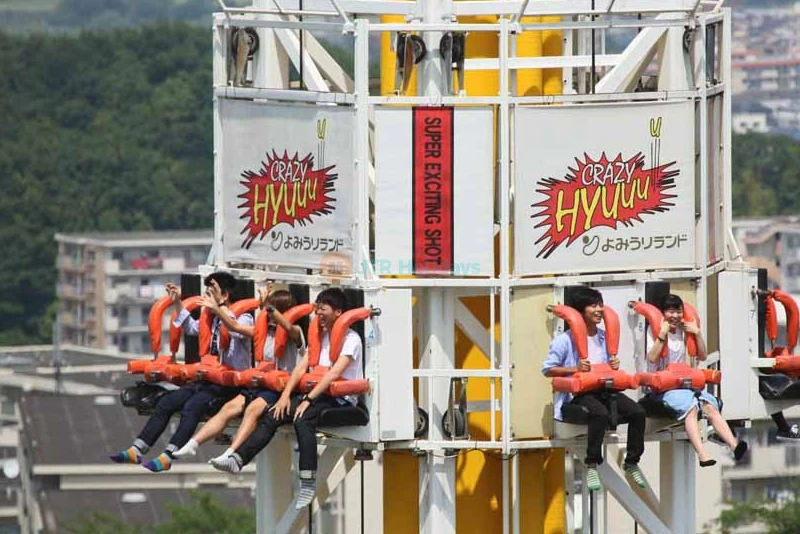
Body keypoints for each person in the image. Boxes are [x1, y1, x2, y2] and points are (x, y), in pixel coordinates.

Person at [210, 287, 363, 510]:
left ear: (338, 312)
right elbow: (301, 368)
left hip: (341, 399)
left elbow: (333, 373)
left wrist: (308, 400)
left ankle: (308, 482)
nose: (319, 312)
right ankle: (238, 459)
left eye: (324, 308)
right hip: (317, 394)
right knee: (273, 413)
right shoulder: (320, 336)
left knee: (303, 418)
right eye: (317, 308)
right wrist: (284, 397)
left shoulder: (351, 339)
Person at [109, 272, 253, 472]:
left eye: (212, 292)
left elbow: (236, 329)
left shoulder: (242, 316)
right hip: (207, 377)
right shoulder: (210, 317)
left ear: (225, 296)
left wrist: (218, 309)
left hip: (229, 383)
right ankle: (137, 449)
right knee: (167, 402)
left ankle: (168, 455)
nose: (207, 296)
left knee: (193, 407)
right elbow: (192, 328)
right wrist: (178, 303)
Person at [172, 287, 305, 460]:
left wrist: (267, 307)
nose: (270, 316)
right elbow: (234, 325)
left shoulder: (296, 331)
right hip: (262, 382)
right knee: (228, 408)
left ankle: (231, 452)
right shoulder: (262, 331)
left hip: (280, 388)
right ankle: (192, 444)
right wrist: (218, 310)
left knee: (252, 410)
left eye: (274, 310)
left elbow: (287, 326)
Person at [542, 286, 648, 492]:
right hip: (579, 394)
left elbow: (607, 366)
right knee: (599, 414)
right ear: (580, 312)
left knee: (638, 412)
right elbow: (547, 370)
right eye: (593, 305)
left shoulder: (603, 337)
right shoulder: (564, 340)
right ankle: (592, 464)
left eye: (600, 305)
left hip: (605, 390)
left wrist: (613, 365)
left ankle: (632, 461)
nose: (599, 310)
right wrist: (575, 368)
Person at [646, 294, 748, 466]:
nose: (675, 316)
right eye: (670, 311)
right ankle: (702, 454)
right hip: (662, 388)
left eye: (678, 311)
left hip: (682, 384)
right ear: (663, 313)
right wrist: (662, 334)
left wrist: (697, 333)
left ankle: (734, 444)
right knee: (691, 407)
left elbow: (701, 355)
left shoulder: (682, 331)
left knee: (710, 405)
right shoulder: (654, 331)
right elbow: (652, 357)